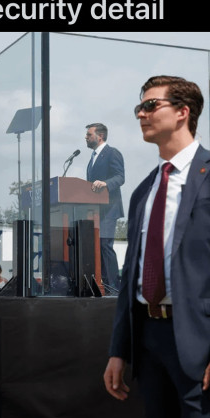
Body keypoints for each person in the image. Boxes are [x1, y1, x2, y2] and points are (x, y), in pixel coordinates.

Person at [103, 75, 210, 418]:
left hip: (203, 345)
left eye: (150, 105)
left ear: (182, 112)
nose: (140, 115)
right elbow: (131, 275)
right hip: (148, 342)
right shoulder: (143, 190)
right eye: (138, 108)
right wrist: (119, 351)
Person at [85, 122, 125, 292]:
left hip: (108, 208)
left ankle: (114, 287)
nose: (86, 138)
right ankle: (102, 286)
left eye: (89, 135)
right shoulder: (92, 158)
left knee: (104, 245)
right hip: (95, 210)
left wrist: (105, 183)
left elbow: (120, 177)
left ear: (100, 136)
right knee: (96, 246)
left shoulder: (112, 153)